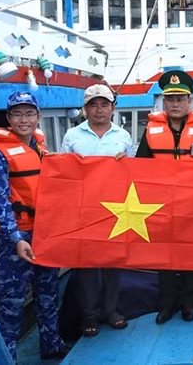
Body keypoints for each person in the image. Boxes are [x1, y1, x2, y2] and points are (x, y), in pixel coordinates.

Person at [0, 92, 67, 360]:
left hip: (46, 232)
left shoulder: (40, 148)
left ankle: (51, 345)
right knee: (11, 304)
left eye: (29, 113)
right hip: (16, 237)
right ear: (8, 118)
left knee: (48, 293)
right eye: (17, 114)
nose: (23, 119)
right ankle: (8, 357)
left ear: (38, 117)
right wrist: (16, 238)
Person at [134, 70, 193, 324]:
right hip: (160, 206)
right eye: (170, 99)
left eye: (180, 99)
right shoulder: (151, 130)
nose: (175, 104)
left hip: (192, 205)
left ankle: (188, 303)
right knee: (164, 256)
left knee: (188, 254)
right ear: (164, 102)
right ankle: (166, 305)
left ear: (189, 102)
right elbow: (139, 166)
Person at [59, 84, 134, 337]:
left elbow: (134, 173)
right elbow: (62, 175)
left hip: (116, 209)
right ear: (85, 108)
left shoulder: (123, 136)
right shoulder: (72, 136)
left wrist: (125, 164)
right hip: (85, 209)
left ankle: (111, 310)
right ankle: (89, 314)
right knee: (86, 264)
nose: (99, 109)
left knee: (113, 263)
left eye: (104, 104)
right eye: (93, 104)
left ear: (112, 108)